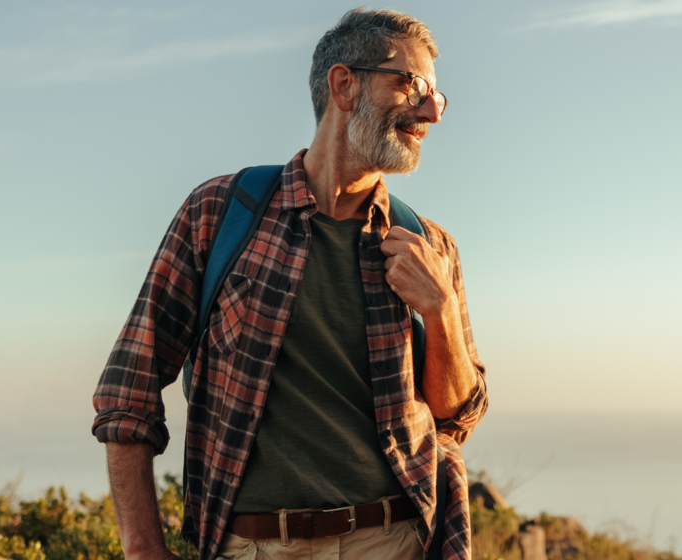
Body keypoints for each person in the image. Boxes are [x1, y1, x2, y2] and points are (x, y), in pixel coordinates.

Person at [90, 8, 488, 560]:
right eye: (411, 84)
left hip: (392, 541)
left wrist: (440, 310)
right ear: (344, 85)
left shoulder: (429, 245)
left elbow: (456, 415)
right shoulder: (221, 213)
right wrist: (142, 548)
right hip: (251, 546)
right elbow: (127, 390)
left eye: (436, 96)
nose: (430, 112)